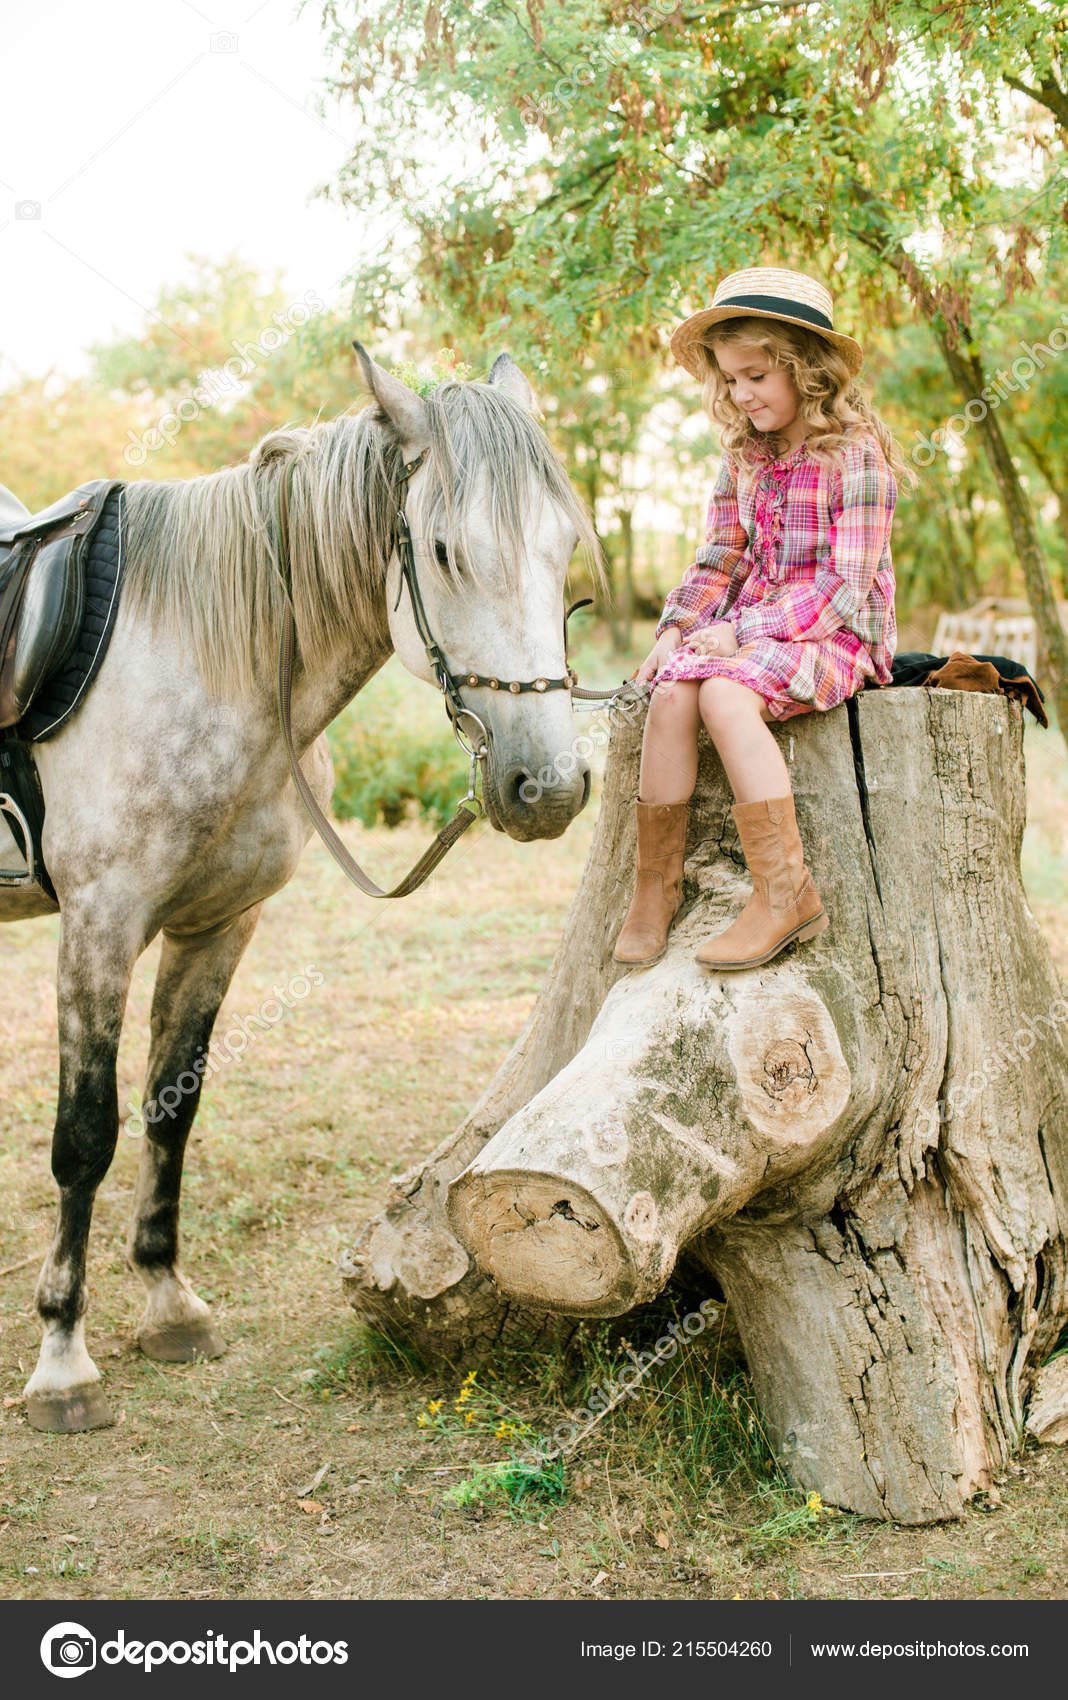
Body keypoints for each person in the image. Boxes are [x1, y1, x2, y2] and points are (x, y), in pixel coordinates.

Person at [614, 265, 910, 971]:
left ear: (806, 371)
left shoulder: (857, 457)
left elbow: (846, 587)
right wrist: (675, 631)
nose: (742, 395)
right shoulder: (744, 456)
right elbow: (719, 556)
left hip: (834, 633)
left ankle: (785, 893)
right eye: (730, 380)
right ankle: (655, 886)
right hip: (747, 635)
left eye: (756, 377)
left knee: (720, 691)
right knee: (672, 693)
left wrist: (741, 632)